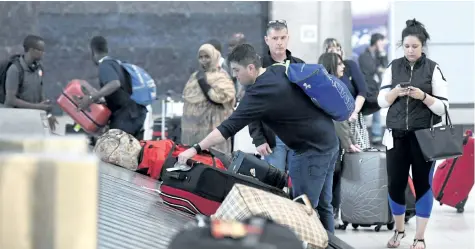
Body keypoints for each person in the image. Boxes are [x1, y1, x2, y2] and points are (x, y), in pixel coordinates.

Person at [177, 44, 339, 232]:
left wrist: (195, 148)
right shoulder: (278, 70)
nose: (235, 76)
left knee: (302, 210)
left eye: (237, 71)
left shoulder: (259, 92)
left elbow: (227, 127)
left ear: (251, 68)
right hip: (328, 138)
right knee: (323, 205)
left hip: (311, 151)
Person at [378, 19, 448, 249]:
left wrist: (423, 97)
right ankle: (399, 231)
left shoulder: (433, 68)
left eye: (415, 46)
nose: (410, 50)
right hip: (396, 135)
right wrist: (395, 93)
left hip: (424, 137)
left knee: (423, 184)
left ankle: (419, 237)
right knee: (395, 184)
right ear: (402, 45)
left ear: (422, 46)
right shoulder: (393, 67)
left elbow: (443, 107)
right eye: (407, 46)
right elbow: (380, 100)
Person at [249, 19, 304, 173]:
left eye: (282, 38)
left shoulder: (299, 66)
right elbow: (250, 107)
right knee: (274, 184)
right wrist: (258, 139)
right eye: (275, 38)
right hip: (272, 137)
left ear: (288, 38)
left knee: (299, 185)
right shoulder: (258, 68)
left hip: (298, 135)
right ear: (267, 40)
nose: (279, 42)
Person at [318, 52, 363, 228]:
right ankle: (329, 223)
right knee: (331, 183)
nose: (343, 67)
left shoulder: (323, 86)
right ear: (330, 66)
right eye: (339, 64)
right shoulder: (332, 87)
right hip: (330, 144)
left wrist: (349, 141)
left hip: (327, 143)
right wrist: (348, 143)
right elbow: (339, 120)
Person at [77, 36, 147, 139]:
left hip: (127, 116)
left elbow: (115, 83)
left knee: (117, 150)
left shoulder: (105, 65)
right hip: (136, 114)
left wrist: (92, 97)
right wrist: (103, 100)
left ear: (93, 51)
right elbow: (122, 92)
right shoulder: (116, 63)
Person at [181, 44, 236, 155]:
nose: (203, 60)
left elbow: (223, 97)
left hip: (213, 125)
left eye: (207, 56)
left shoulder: (221, 76)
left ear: (214, 57)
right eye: (201, 57)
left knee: (214, 158)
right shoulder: (195, 76)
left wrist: (204, 84)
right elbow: (188, 97)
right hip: (193, 128)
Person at [323, 38, 370, 149]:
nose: (336, 52)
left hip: (353, 116)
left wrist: (353, 112)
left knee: (358, 151)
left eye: (338, 49)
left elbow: (362, 91)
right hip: (334, 122)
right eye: (331, 50)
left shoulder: (349, 66)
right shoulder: (323, 73)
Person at [4, 35, 58, 131]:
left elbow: (41, 94)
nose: (43, 53)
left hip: (32, 119)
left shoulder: (39, 69)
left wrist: (48, 114)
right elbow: (11, 99)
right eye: (40, 50)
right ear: (31, 50)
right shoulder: (15, 70)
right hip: (14, 121)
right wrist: (37, 107)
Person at [358, 33, 388, 144]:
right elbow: (369, 70)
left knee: (377, 109)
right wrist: (378, 69)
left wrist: (382, 53)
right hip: (367, 87)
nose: (383, 44)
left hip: (376, 87)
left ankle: (376, 136)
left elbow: (385, 66)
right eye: (382, 41)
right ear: (376, 41)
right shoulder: (364, 55)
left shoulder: (379, 54)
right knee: (364, 111)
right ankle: (362, 135)